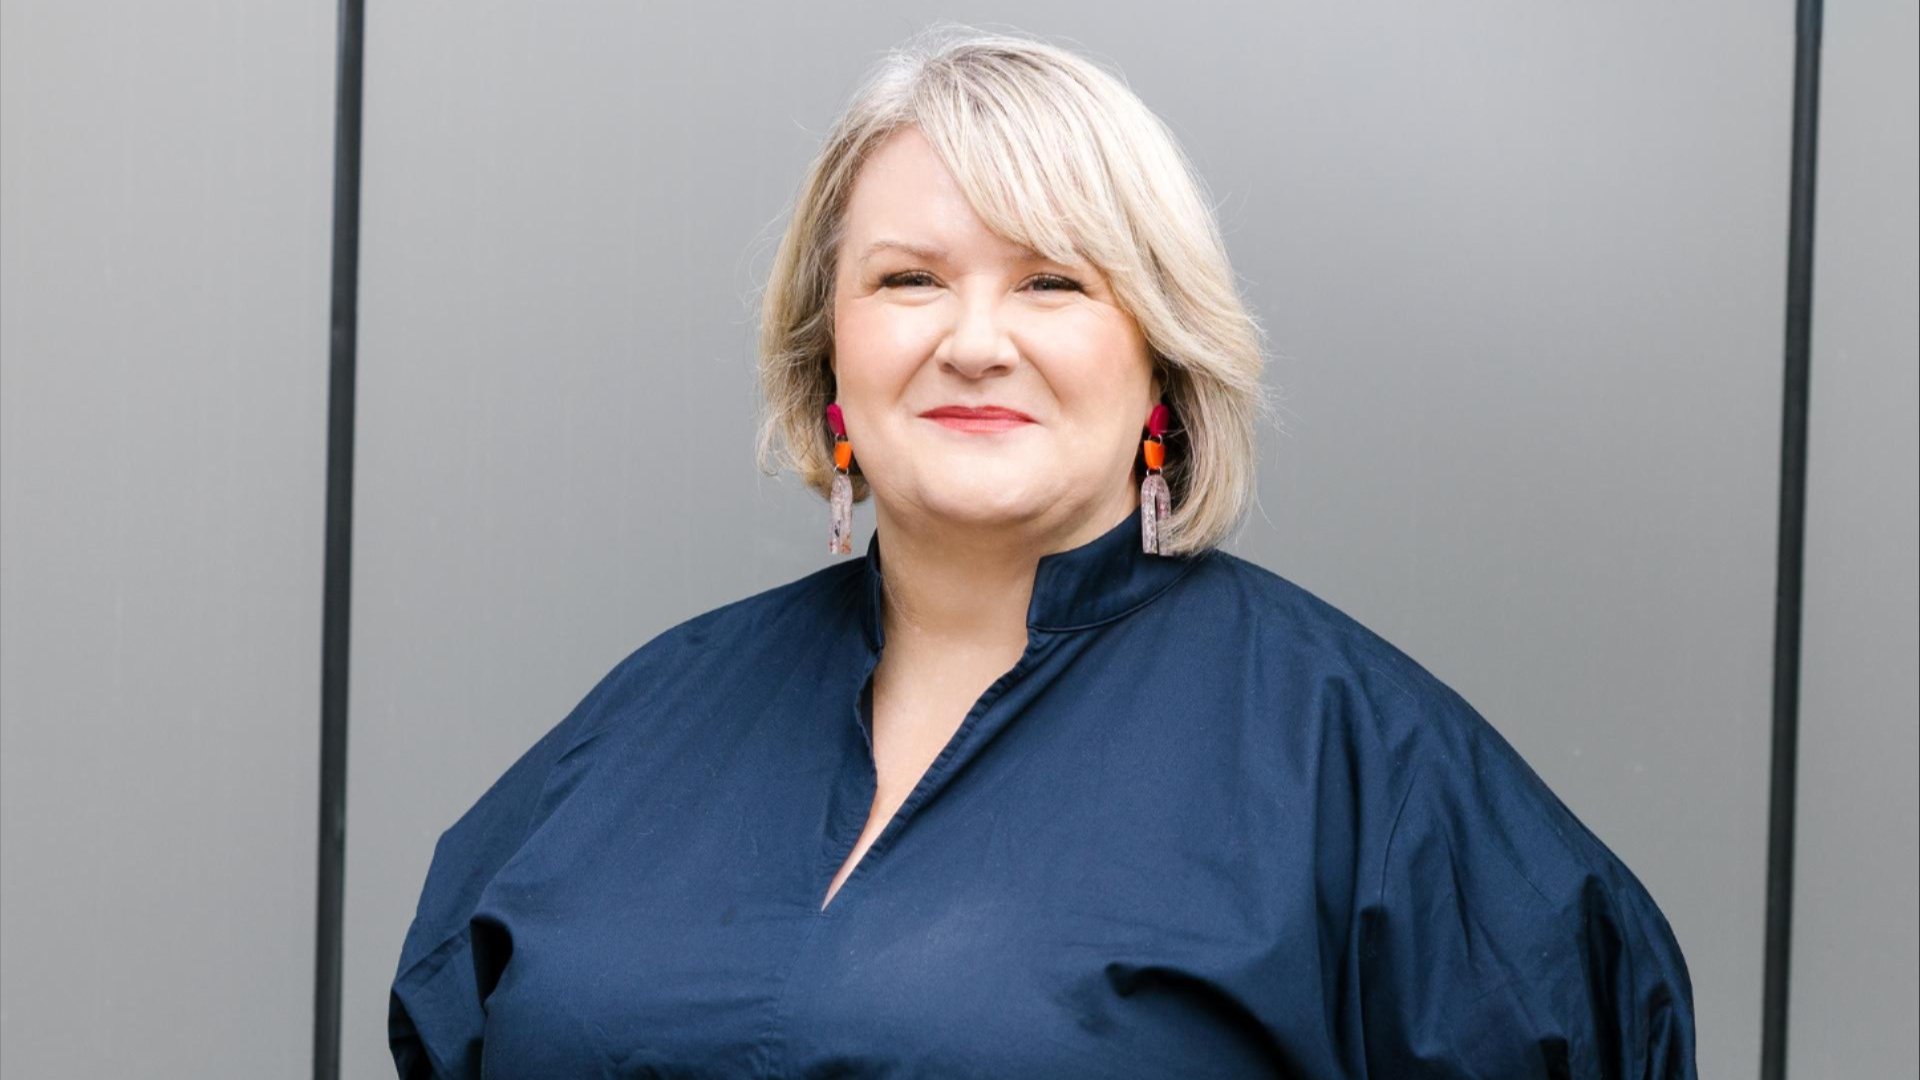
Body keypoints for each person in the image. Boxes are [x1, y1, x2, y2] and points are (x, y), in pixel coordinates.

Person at [389, 26, 1697, 1079]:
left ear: (1162, 362)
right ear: (829, 361)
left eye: (1053, 282)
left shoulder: (1356, 769)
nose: (973, 340)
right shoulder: (641, 731)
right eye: (908, 280)